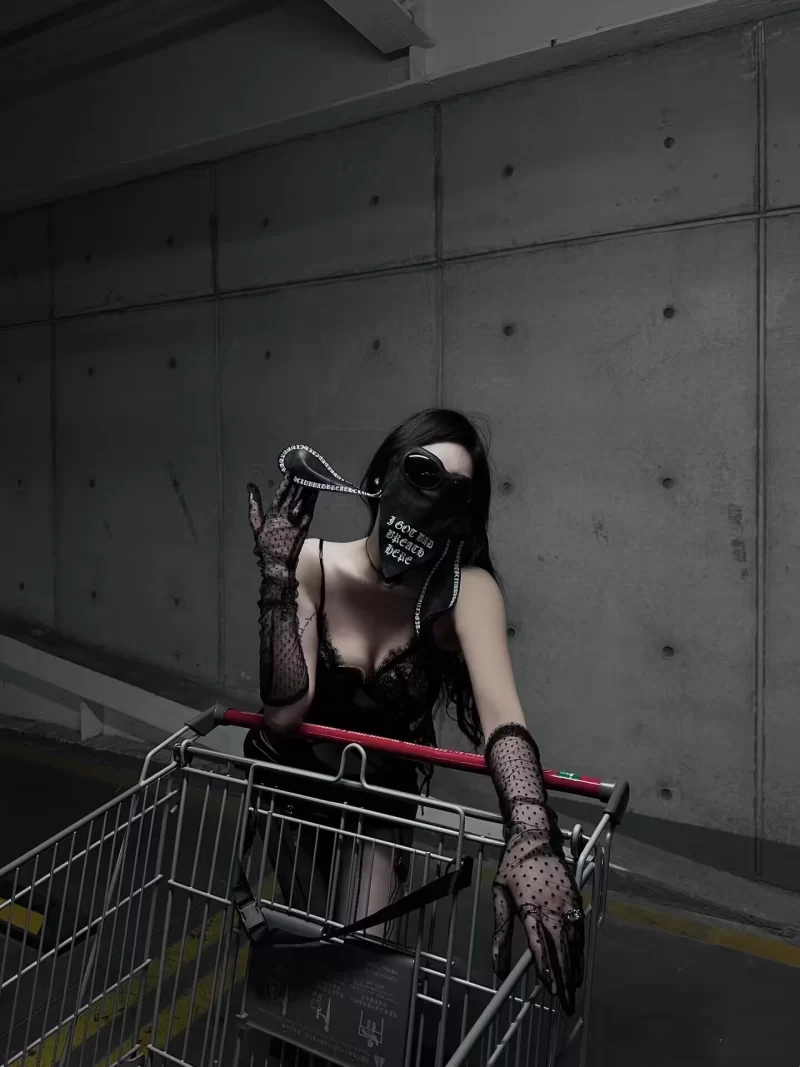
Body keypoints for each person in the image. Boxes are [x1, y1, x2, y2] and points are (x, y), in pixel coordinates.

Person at [243, 408, 585, 1015]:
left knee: (358, 955)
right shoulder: (313, 561)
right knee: (302, 942)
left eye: (457, 493)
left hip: (379, 795)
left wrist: (531, 831)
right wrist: (277, 575)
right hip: (291, 783)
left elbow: (503, 717)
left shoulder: (464, 591)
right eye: (423, 473)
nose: (432, 502)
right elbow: (285, 712)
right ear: (382, 475)